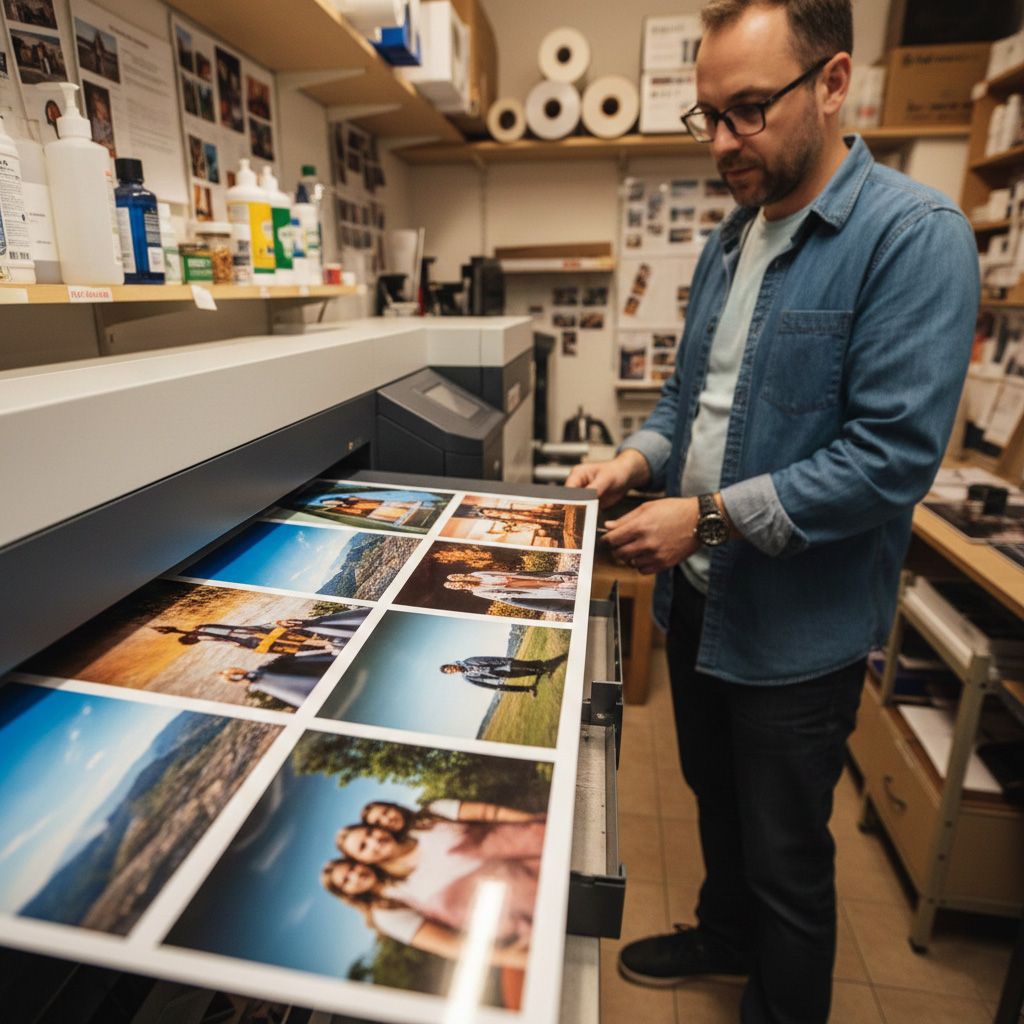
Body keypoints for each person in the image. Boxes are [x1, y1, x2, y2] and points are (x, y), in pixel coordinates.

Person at [566, 2, 978, 1022]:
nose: (721, 143)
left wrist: (699, 519)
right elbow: (686, 400)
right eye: (707, 116)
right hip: (701, 603)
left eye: (747, 110)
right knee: (716, 801)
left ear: (832, 82)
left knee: (787, 854)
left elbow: (888, 460)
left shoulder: (912, 237)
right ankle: (723, 932)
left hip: (796, 632)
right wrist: (633, 458)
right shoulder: (728, 241)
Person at [322, 798, 546, 968]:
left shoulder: (427, 821)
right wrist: (510, 958)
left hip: (542, 850)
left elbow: (490, 818)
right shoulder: (391, 904)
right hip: (534, 911)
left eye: (371, 832)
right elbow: (451, 947)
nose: (374, 840)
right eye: (363, 847)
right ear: (362, 860)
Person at [439, 652, 569, 696]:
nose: (452, 669)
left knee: (527, 665)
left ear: (451, 665)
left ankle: (548, 665)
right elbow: (482, 684)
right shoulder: (467, 678)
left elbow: (488, 659)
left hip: (504, 664)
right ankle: (543, 670)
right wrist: (496, 687)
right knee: (525, 672)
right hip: (501, 674)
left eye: (449, 667)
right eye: (449, 671)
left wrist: (506, 660)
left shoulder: (469, 661)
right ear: (451, 673)